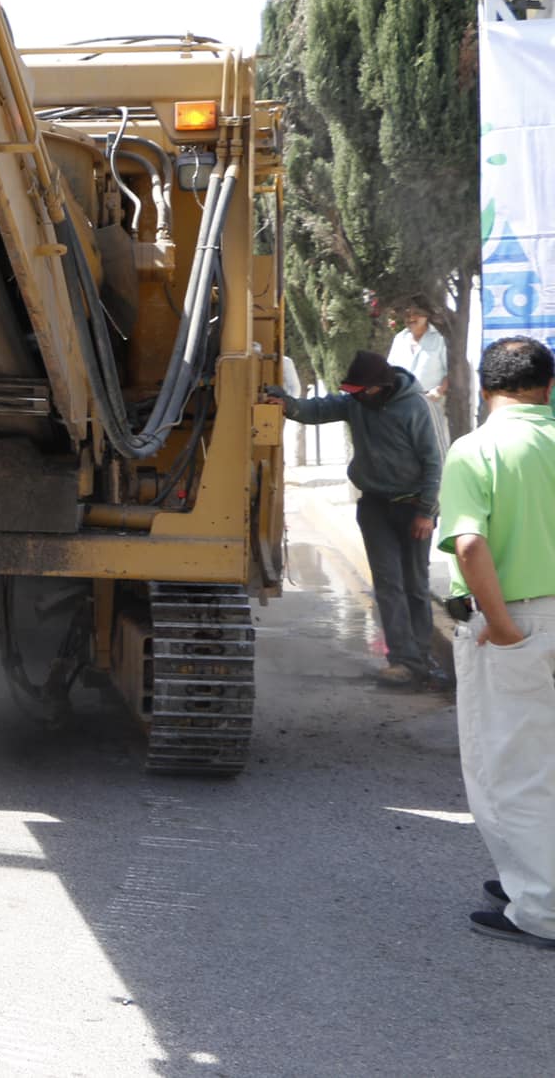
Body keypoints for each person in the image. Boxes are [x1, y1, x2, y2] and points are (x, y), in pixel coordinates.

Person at [437, 337, 555, 947]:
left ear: (485, 389)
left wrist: (501, 624)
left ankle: (541, 911)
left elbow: (470, 544)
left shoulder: (476, 448)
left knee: (512, 769)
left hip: (518, 624)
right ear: (549, 387)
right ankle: (529, 881)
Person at [271, 350, 444, 687]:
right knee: (388, 585)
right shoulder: (357, 402)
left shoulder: (416, 407)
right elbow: (319, 409)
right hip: (375, 507)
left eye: (360, 391)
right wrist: (288, 404)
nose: (354, 397)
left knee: (415, 586)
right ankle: (403, 661)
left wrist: (426, 512)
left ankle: (422, 658)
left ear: (380, 386)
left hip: (412, 509)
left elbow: (434, 462)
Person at [388, 302, 451, 451]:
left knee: (434, 449)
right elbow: (390, 371)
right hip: (403, 404)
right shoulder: (400, 339)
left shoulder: (439, 338)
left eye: (415, 313)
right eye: (407, 314)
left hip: (432, 403)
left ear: (426, 315)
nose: (411, 318)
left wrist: (439, 391)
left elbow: (452, 371)